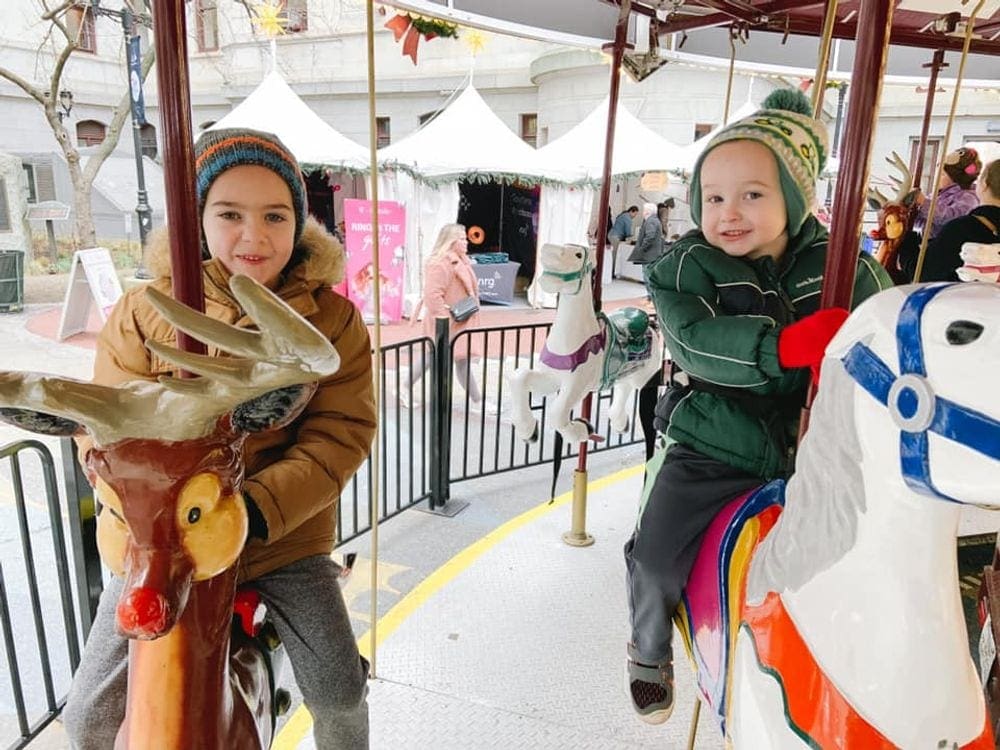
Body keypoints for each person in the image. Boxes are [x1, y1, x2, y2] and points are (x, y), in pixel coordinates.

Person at [62, 128, 375, 749]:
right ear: (199, 218)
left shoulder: (332, 321)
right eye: (229, 214)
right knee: (89, 716)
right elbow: (107, 426)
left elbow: (343, 430)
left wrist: (254, 510)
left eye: (274, 216)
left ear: (299, 224)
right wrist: (140, 509)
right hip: (167, 543)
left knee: (339, 692)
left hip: (279, 537)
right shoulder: (144, 311)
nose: (253, 236)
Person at [623, 89, 892, 725]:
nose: (730, 213)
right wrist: (785, 346)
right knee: (655, 554)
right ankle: (647, 649)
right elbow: (694, 341)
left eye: (753, 194)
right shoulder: (686, 266)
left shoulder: (841, 264)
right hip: (715, 443)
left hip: (820, 447)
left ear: (795, 201)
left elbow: (884, 323)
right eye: (713, 197)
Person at [408, 223, 487, 411]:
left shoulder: (461, 261)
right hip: (447, 322)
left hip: (458, 321)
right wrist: (445, 319)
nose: (466, 242)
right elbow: (432, 295)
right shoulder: (441, 263)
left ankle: (477, 401)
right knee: (434, 358)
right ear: (451, 241)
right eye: (462, 239)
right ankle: (404, 387)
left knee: (460, 360)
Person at [899, 158, 1000, 282]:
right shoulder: (939, 196)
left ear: (984, 184)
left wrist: (906, 240)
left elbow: (919, 273)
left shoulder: (963, 228)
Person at [912, 146, 982, 241]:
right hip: (925, 240)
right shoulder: (937, 195)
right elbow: (925, 222)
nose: (937, 177)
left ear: (956, 179)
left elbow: (951, 219)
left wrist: (924, 203)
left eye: (942, 174)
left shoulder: (968, 198)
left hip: (945, 246)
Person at [607, 205, 639, 279]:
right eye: (635, 214)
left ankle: (610, 272)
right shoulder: (628, 218)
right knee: (614, 256)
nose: (635, 216)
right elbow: (628, 232)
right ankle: (612, 273)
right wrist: (633, 238)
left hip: (611, 235)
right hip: (615, 237)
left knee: (612, 255)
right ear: (631, 211)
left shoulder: (622, 215)